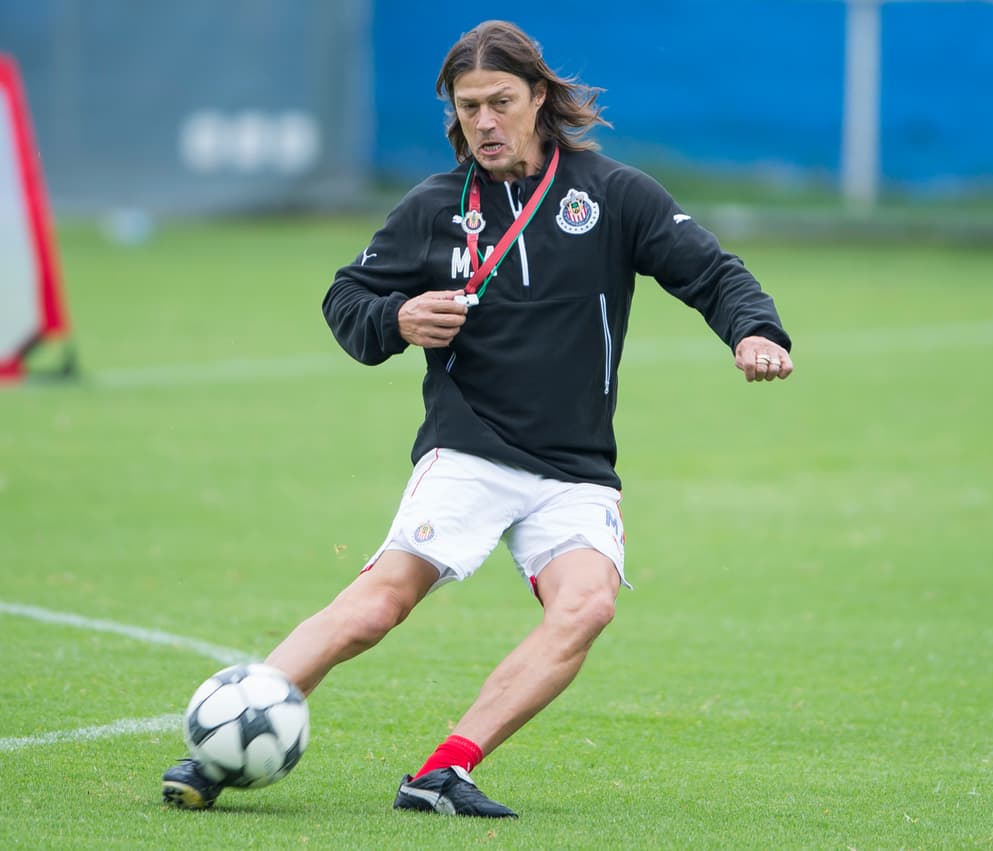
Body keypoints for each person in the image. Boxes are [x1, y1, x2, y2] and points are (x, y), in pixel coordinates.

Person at [162, 19, 793, 818]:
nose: (486, 121)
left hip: (574, 464)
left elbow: (713, 272)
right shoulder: (433, 208)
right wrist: (398, 318)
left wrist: (755, 330)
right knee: (379, 605)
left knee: (588, 606)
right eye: (469, 106)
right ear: (452, 114)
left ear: (539, 100)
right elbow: (345, 299)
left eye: (501, 101)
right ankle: (218, 748)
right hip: (470, 449)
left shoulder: (613, 194)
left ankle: (442, 771)